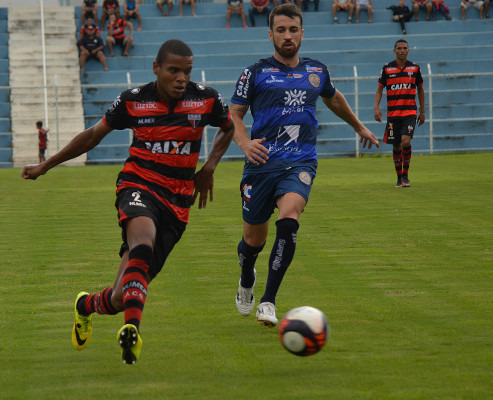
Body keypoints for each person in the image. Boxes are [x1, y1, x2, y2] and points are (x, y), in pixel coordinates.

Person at [22, 39, 235, 365]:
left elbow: (228, 128)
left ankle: (85, 306)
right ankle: (131, 331)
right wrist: (45, 166)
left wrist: (208, 168)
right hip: (139, 185)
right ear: (156, 69)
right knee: (143, 241)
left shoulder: (205, 99)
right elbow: (92, 136)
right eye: (173, 70)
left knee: (123, 295)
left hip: (178, 203)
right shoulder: (134, 101)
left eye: (187, 71)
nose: (181, 78)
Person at [230, 3, 379, 327]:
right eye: (281, 30)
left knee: (290, 216)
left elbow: (333, 97)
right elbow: (235, 113)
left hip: (300, 160)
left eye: (293, 30)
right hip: (261, 162)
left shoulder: (316, 71)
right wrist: (243, 142)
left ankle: (268, 302)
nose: (287, 36)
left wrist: (358, 126)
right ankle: (246, 277)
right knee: (253, 241)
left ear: (301, 34)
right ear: (270, 34)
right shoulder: (255, 73)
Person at [373, 39, 425, 188]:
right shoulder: (387, 69)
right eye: (399, 48)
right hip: (393, 114)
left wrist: (423, 110)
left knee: (405, 141)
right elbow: (379, 89)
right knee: (396, 146)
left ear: (408, 51)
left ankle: (405, 175)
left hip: (409, 112)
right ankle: (398, 178)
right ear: (394, 51)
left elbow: (420, 89)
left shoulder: (414, 69)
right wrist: (376, 107)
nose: (402, 50)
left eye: (405, 48)